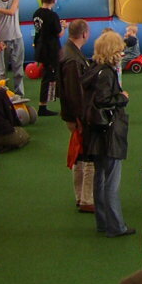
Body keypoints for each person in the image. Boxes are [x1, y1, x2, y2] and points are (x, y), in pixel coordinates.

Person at [82, 29, 134, 238]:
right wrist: (122, 98)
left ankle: (103, 222)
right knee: (111, 181)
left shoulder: (93, 70)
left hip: (95, 133)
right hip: (108, 132)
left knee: (100, 178)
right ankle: (116, 226)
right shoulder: (106, 73)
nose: (122, 53)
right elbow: (103, 101)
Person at [58, 18, 95, 211]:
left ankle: (81, 197)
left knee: (80, 155)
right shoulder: (73, 59)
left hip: (73, 114)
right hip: (79, 115)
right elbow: (74, 92)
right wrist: (80, 117)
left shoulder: (68, 52)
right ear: (84, 34)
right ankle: (87, 199)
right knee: (87, 156)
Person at [33, 0, 63, 116]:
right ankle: (43, 105)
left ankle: (46, 104)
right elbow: (59, 33)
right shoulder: (52, 15)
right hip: (51, 50)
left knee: (50, 76)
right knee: (50, 76)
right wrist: (64, 27)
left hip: (41, 48)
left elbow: (39, 30)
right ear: (54, 0)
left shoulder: (37, 13)